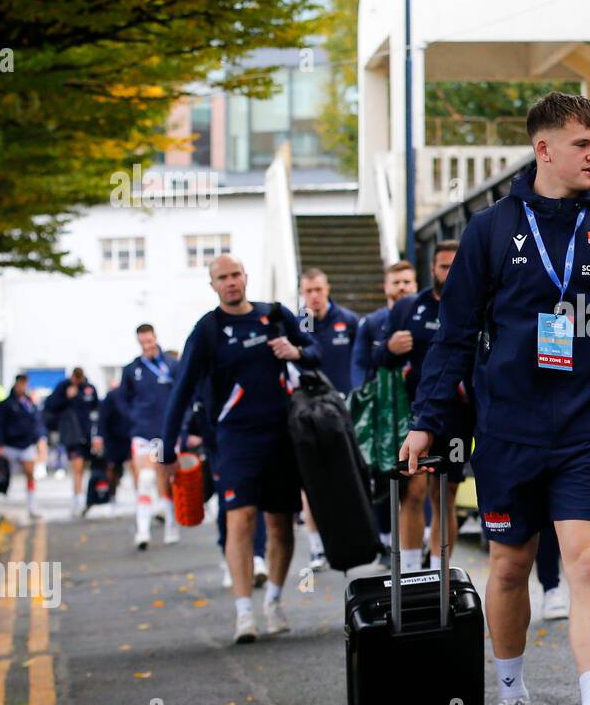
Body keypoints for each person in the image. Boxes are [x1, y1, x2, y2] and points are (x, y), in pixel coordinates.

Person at [400, 91, 590, 705]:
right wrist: (429, 423)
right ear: (543, 148)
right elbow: (454, 338)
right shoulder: (490, 231)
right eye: (581, 144)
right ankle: (511, 698)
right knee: (511, 563)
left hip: (589, 430)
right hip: (511, 430)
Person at [160, 254, 320, 645]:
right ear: (213, 285)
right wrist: (166, 451)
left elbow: (315, 352)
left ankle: (275, 600)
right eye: (222, 278)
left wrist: (296, 352)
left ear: (246, 277)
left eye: (235, 275)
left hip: (282, 435)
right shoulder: (208, 330)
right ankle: (244, 612)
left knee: (281, 523)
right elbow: (180, 393)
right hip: (234, 439)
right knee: (240, 518)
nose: (231, 282)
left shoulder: (276, 316)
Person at [373, 241, 472, 571]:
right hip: (414, 416)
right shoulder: (408, 308)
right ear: (432, 270)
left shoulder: (476, 306)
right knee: (412, 492)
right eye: (444, 266)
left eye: (456, 265)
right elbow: (380, 359)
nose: (450, 272)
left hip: (459, 417)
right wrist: (390, 346)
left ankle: (441, 575)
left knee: (444, 497)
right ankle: (412, 572)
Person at [354, 260, 423, 558]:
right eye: (396, 282)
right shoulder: (371, 323)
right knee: (385, 480)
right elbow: (358, 368)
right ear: (386, 287)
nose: (402, 287)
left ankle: (417, 554)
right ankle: (385, 542)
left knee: (417, 489)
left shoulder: (427, 316)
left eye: (407, 282)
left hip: (419, 413)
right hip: (383, 417)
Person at [296, 267, 362, 571]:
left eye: (318, 290)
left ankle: (364, 537)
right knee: (312, 479)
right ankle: (316, 547)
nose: (314, 296)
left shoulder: (348, 321)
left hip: (345, 409)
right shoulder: (298, 325)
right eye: (308, 291)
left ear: (327, 288)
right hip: (311, 412)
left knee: (354, 472)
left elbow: (360, 361)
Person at [183, 382, 268, 589]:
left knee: (254, 502)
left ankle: (257, 557)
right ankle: (231, 559)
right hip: (219, 449)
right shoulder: (203, 377)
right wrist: (184, 437)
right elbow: (187, 413)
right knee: (227, 506)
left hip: (249, 442)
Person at [120, 324, 182, 550]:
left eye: (149, 339)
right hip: (142, 431)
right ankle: (143, 531)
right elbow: (123, 399)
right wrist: (134, 418)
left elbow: (182, 396)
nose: (147, 344)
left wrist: (180, 428)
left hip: (166, 431)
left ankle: (171, 525)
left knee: (163, 482)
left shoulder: (172, 366)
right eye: (142, 341)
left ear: (155, 337)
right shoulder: (131, 370)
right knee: (145, 479)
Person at [43, 367, 103, 516]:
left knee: (91, 469)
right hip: (72, 436)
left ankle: (91, 498)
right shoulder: (63, 387)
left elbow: (97, 411)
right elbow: (50, 406)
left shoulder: (89, 389)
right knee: (78, 468)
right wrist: (66, 397)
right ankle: (78, 501)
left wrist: (98, 436)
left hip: (88, 436)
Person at [0, 374, 47, 520]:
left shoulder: (29, 403)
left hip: (26, 445)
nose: (23, 387)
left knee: (30, 474)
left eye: (25, 384)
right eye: (21, 384)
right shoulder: (7, 404)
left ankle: (31, 506)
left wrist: (39, 441)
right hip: (9, 445)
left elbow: (36, 423)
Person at [99, 380, 132, 497]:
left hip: (128, 438)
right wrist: (102, 438)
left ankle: (141, 499)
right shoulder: (111, 398)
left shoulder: (132, 395)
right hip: (113, 440)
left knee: (131, 467)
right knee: (113, 470)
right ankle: (112, 495)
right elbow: (103, 420)